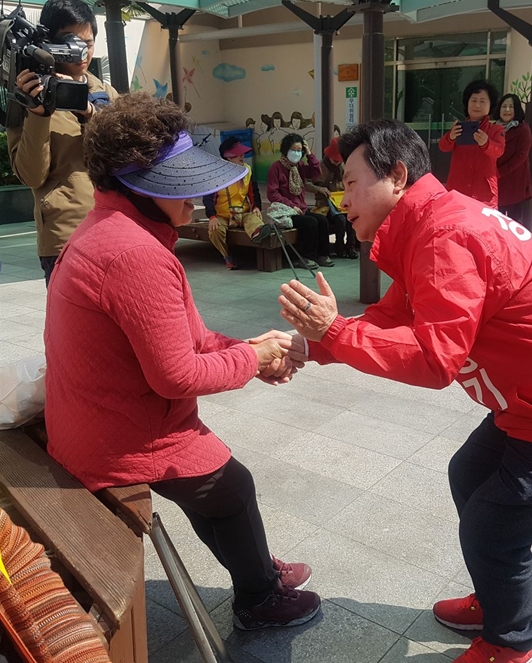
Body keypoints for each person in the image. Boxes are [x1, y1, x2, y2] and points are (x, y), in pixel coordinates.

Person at [274, 119, 532, 663]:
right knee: (471, 476)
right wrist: (310, 347)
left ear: (398, 176)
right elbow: (395, 316)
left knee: (493, 526)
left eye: (354, 182)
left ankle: (513, 645)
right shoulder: (430, 223)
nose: (344, 198)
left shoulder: (445, 234)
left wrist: (335, 331)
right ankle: (498, 597)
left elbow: (435, 361)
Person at [44, 93, 321, 631]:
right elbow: (175, 374)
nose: (199, 194)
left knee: (219, 489)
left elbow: (185, 337)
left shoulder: (111, 229)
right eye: (182, 184)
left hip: (95, 416)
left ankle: (256, 567)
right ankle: (259, 600)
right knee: (230, 486)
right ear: (138, 188)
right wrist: (254, 357)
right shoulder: (134, 254)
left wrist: (249, 350)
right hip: (115, 436)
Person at [7, 0, 118, 286]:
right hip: (65, 240)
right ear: (50, 42)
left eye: (89, 43)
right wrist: (38, 114)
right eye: (72, 43)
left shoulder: (104, 92)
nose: (82, 52)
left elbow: (128, 155)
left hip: (118, 231)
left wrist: (91, 112)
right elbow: (31, 175)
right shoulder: (26, 95)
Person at [267, 133, 334, 270]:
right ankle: (305, 257)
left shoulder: (300, 166)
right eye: (294, 150)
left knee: (322, 220)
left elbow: (316, 172)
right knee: (310, 222)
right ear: (286, 150)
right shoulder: (276, 168)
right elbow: (272, 194)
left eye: (299, 150)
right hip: (286, 211)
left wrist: (309, 153)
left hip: (300, 209)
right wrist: (291, 206)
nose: (296, 153)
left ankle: (322, 255)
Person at [203, 137, 271, 270]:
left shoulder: (247, 170)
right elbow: (208, 198)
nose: (242, 156)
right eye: (238, 153)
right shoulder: (215, 174)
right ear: (228, 157)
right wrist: (212, 217)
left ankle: (259, 233)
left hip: (243, 212)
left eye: (242, 153)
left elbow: (254, 192)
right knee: (215, 231)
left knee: (254, 220)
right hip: (222, 215)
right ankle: (227, 256)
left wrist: (256, 207)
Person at [439, 80, 504, 209]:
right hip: (458, 190)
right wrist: (450, 137)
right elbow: (443, 147)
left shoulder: (496, 130)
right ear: (467, 103)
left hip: (484, 194)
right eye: (473, 100)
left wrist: (486, 143)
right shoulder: (459, 128)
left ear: (490, 105)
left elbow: (499, 151)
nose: (477, 105)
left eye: (482, 101)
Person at [306, 137, 358, 259]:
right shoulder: (319, 167)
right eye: (335, 160)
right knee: (340, 220)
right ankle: (339, 248)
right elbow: (306, 183)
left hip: (341, 203)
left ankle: (350, 247)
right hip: (326, 205)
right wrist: (319, 189)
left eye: (339, 161)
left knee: (352, 218)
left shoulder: (343, 167)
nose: (337, 162)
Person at [492, 94, 532, 226]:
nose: (507, 110)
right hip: (496, 182)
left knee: (515, 223)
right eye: (504, 106)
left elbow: (521, 156)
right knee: (498, 222)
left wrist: (501, 171)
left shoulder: (523, 129)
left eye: (511, 106)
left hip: (515, 183)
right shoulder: (493, 128)